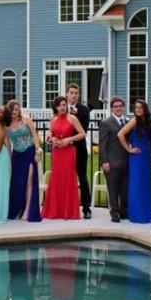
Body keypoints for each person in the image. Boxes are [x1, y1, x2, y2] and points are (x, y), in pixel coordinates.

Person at [42, 95, 86, 220]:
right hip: (57, 152)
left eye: (64, 104)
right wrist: (51, 138)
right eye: (59, 105)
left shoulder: (72, 118)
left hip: (68, 151)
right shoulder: (53, 119)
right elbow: (50, 133)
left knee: (68, 178)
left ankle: (69, 211)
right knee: (56, 178)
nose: (62, 107)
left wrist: (69, 140)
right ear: (55, 107)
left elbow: (82, 134)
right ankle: (55, 210)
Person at [117, 99, 151, 224]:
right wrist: (128, 149)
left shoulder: (148, 122)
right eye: (136, 107)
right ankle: (137, 215)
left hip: (146, 156)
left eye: (140, 107)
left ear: (145, 109)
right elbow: (120, 134)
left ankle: (146, 213)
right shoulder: (134, 121)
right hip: (137, 157)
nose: (138, 110)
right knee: (136, 184)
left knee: (146, 184)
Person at [6, 99, 42, 222]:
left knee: (28, 181)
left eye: (16, 109)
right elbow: (8, 145)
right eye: (12, 110)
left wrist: (38, 151)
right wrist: (9, 158)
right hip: (16, 156)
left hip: (29, 153)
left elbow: (34, 135)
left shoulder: (26, 120)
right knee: (17, 184)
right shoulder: (6, 125)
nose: (14, 112)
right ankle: (17, 209)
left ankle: (27, 210)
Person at [100, 96, 129, 222]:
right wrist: (104, 161)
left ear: (123, 107)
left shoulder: (128, 122)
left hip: (126, 161)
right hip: (112, 161)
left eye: (120, 106)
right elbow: (103, 144)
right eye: (115, 106)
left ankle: (124, 211)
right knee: (113, 189)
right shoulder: (106, 123)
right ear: (112, 108)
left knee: (125, 188)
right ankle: (114, 212)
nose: (118, 108)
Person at [66, 83, 92, 219]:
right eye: (71, 92)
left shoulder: (84, 110)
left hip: (79, 148)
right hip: (64, 150)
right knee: (66, 178)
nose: (74, 95)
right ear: (67, 94)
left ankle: (86, 208)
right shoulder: (61, 108)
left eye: (76, 93)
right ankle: (66, 206)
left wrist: (70, 139)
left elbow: (84, 130)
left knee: (82, 177)